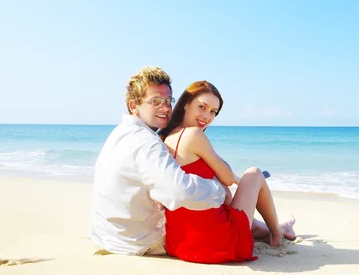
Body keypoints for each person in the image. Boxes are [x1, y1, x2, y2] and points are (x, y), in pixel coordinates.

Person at [90, 67, 226, 256]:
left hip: (108, 236)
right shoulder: (146, 143)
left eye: (168, 100)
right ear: (133, 105)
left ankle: (270, 228)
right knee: (214, 211)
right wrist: (217, 189)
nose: (165, 108)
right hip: (139, 243)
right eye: (155, 101)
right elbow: (180, 192)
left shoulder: (119, 134)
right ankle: (273, 229)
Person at [158, 81, 296, 264]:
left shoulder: (164, 138)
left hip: (181, 243)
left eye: (213, 112)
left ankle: (282, 228)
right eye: (202, 107)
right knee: (255, 173)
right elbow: (227, 177)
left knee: (232, 206)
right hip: (216, 244)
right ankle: (277, 235)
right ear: (186, 103)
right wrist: (239, 180)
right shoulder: (193, 135)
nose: (207, 116)